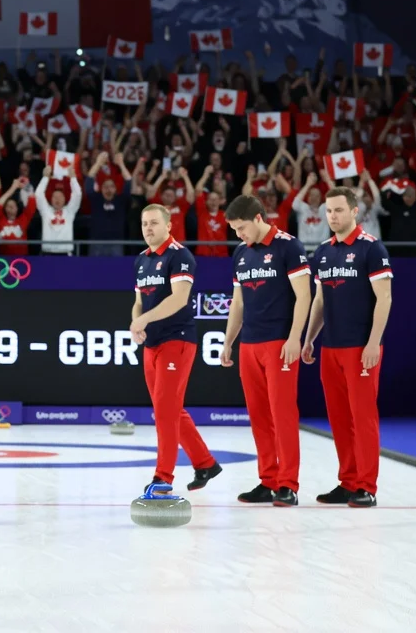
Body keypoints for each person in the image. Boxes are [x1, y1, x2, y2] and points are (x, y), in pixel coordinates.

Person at [299, 186, 392, 508]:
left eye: (339, 210)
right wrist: (310, 338)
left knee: (363, 418)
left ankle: (366, 485)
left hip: (359, 347)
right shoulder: (323, 251)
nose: (333, 216)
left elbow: (385, 298)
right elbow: (320, 300)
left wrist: (374, 342)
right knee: (339, 419)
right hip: (331, 347)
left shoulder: (371, 248)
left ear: (355, 211)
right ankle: (348, 480)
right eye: (329, 211)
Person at [220, 194, 312, 507]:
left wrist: (295, 338)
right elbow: (238, 301)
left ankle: (288, 483)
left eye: (241, 227)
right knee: (258, 415)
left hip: (279, 343)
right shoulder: (240, 253)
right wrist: (228, 340)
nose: (238, 234)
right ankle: (267, 479)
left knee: (282, 413)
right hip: (250, 344)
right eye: (234, 230)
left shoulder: (289, 246)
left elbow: (304, 296)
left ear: (259, 218)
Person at [129, 204, 221, 492]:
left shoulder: (179, 255)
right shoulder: (141, 260)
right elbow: (139, 301)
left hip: (177, 339)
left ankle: (163, 478)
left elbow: (180, 299)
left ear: (169, 225)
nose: (148, 228)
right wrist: (137, 322)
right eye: (144, 223)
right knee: (166, 409)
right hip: (152, 343)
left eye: (154, 223)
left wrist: (143, 319)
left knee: (167, 411)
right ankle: (205, 463)